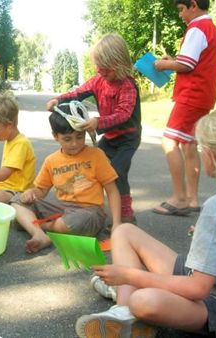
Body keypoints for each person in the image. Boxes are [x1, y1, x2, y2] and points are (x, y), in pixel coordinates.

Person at [76, 106, 216, 338]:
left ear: (212, 156)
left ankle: (130, 307)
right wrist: (211, 237)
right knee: (124, 231)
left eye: (200, 147)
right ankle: (123, 314)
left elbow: (198, 288)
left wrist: (128, 276)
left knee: (144, 301)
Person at [46, 33, 141, 224]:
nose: (99, 70)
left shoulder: (128, 85)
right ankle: (93, 207)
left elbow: (124, 113)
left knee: (117, 173)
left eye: (104, 67)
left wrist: (99, 121)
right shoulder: (99, 80)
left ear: (118, 62)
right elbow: (78, 93)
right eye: (97, 66)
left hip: (128, 138)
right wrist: (60, 99)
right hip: (111, 136)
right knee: (94, 166)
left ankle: (126, 216)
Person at [10, 103, 121, 253]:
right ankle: (39, 233)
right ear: (55, 136)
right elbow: (41, 191)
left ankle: (34, 225)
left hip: (89, 212)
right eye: (67, 139)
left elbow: (112, 191)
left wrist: (117, 223)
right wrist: (30, 193)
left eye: (80, 137)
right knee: (16, 200)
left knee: (74, 223)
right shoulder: (51, 160)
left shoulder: (96, 156)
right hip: (61, 208)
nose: (75, 143)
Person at [152, 0, 216, 216]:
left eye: (181, 9)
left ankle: (179, 198)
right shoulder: (209, 27)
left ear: (193, 5)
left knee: (169, 140)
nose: (181, 15)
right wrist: (174, 60)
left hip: (192, 94)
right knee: (189, 145)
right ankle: (192, 199)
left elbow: (186, 65)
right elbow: (191, 61)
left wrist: (164, 65)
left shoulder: (197, 28)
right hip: (205, 94)